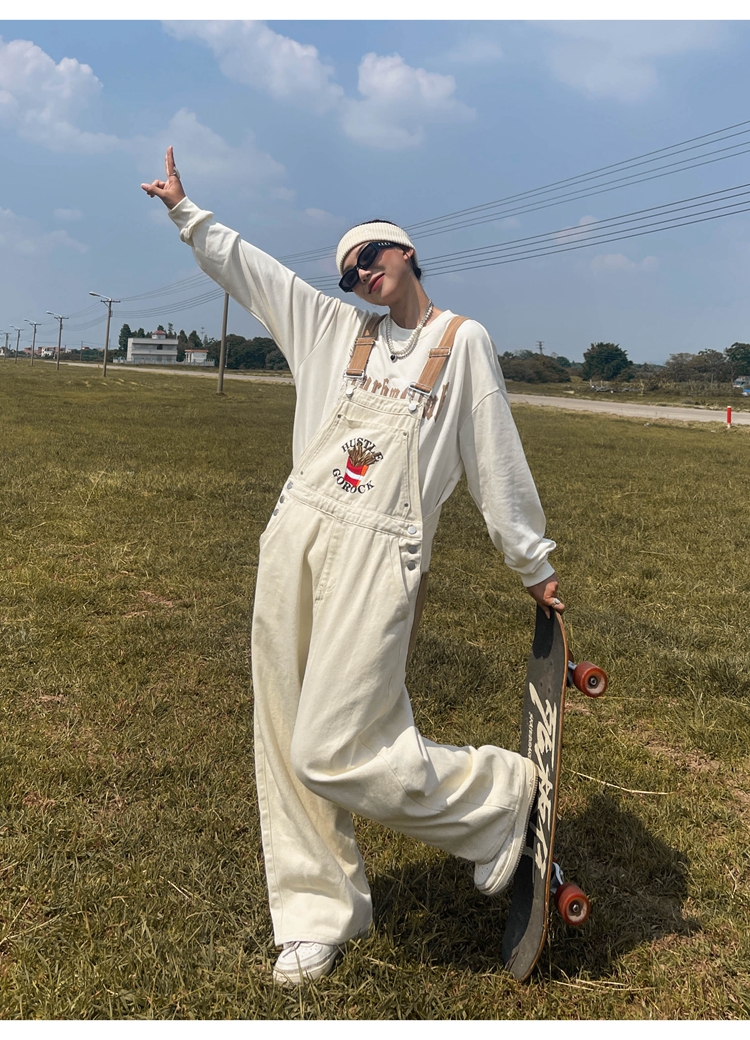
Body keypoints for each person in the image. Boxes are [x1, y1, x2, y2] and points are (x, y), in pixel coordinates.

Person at [142, 148, 564, 988]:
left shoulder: (463, 342)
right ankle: (315, 913)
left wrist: (531, 559)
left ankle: (496, 800)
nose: (360, 274)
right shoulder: (334, 330)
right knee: (283, 733)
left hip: (382, 550)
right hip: (297, 531)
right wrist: (189, 215)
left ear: (404, 250)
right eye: (347, 271)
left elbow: (494, 454)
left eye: (370, 256)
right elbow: (254, 272)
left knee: (333, 745)